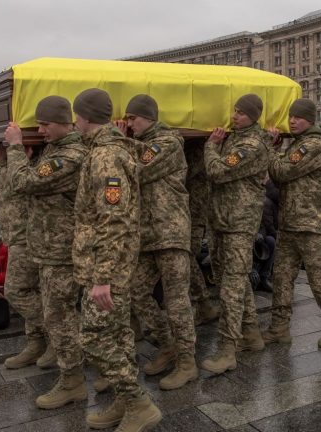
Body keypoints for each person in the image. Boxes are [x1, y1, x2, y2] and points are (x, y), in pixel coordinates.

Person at [70, 88, 161, 430]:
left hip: (109, 267)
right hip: (111, 263)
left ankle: (138, 403)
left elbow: (114, 218)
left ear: (86, 116)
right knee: (120, 334)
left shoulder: (106, 156)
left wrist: (102, 277)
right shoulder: (105, 150)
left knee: (93, 338)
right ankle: (126, 403)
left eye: (77, 114)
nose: (74, 120)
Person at [4, 95, 88, 410]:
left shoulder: (70, 155)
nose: (39, 130)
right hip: (48, 247)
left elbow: (23, 183)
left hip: (62, 251)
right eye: (36, 123)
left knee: (61, 316)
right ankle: (70, 371)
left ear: (64, 121)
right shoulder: (54, 150)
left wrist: (14, 147)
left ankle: (73, 381)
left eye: (45, 124)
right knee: (57, 314)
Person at [122, 94, 198, 390]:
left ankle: (187, 362)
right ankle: (168, 345)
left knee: (177, 300)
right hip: (147, 235)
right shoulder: (142, 143)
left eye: (133, 119)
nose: (129, 124)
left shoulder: (167, 143)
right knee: (137, 293)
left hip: (170, 234)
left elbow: (136, 168)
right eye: (126, 119)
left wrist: (118, 139)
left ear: (149, 117)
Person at [263, 98, 321, 348]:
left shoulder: (313, 145)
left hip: (310, 224)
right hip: (291, 222)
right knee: (281, 277)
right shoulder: (299, 144)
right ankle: (279, 328)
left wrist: (271, 147)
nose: (292, 120)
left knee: (319, 279)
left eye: (298, 117)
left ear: (310, 120)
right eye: (291, 116)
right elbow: (282, 176)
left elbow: (281, 172)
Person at [201, 93, 268, 374]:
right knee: (234, 280)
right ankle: (251, 334)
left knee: (231, 285)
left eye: (241, 113)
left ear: (254, 115)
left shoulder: (251, 145)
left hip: (239, 223)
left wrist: (211, 146)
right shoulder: (236, 137)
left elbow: (217, 171)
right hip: (223, 220)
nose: (234, 116)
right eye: (234, 111)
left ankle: (228, 350)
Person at [0, 141, 51, 370]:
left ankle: (62, 335)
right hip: (14, 236)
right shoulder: (8, 156)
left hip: (29, 235)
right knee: (33, 292)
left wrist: (9, 157)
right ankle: (37, 343)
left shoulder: (35, 156)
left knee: (17, 291)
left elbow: (19, 184)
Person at [183, 142, 219, 325]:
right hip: (183, 214)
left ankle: (204, 304)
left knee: (186, 257)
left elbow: (184, 172)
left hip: (194, 215)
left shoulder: (198, 153)